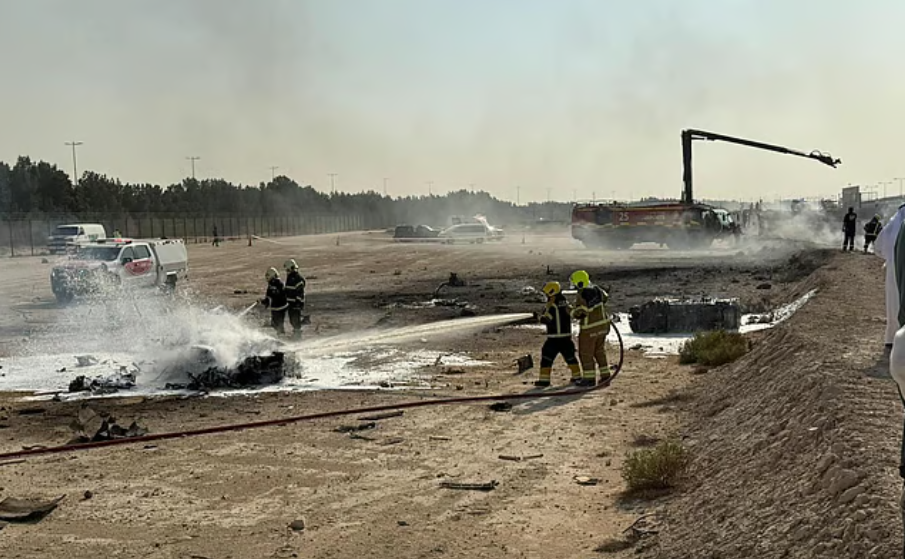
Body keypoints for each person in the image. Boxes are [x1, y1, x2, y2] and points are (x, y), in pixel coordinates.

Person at [534, 281, 581, 387]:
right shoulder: (565, 302)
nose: (546, 296)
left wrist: (539, 317)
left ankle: (544, 380)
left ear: (551, 292)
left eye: (547, 294)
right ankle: (577, 377)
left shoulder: (552, 306)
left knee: (546, 358)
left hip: (554, 338)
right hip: (566, 337)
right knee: (570, 358)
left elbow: (547, 319)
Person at [570, 270, 612, 386]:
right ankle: (605, 376)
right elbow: (605, 298)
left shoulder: (582, 294)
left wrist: (571, 311)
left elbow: (580, 312)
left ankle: (589, 379)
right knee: (599, 352)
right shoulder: (598, 289)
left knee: (586, 354)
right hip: (603, 326)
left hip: (589, 329)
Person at [875, 204, 905, 348]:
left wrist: (890, 258)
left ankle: (893, 338)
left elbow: (878, 247)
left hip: (893, 270)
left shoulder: (894, 224)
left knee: (894, 304)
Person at [283, 259, 307, 340]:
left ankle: (298, 336)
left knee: (295, 319)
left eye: (287, 270)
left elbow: (300, 292)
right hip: (290, 303)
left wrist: (298, 303)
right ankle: (297, 333)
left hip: (296, 304)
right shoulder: (290, 277)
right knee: (292, 319)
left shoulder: (297, 278)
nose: (287, 272)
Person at [260, 267, 288, 335]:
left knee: (279, 324)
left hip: (280, 308)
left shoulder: (278, 284)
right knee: (275, 323)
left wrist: (264, 301)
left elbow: (276, 295)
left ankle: (282, 335)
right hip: (276, 308)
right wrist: (262, 301)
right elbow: (268, 297)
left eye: (268, 276)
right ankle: (281, 334)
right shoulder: (271, 284)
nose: (267, 278)